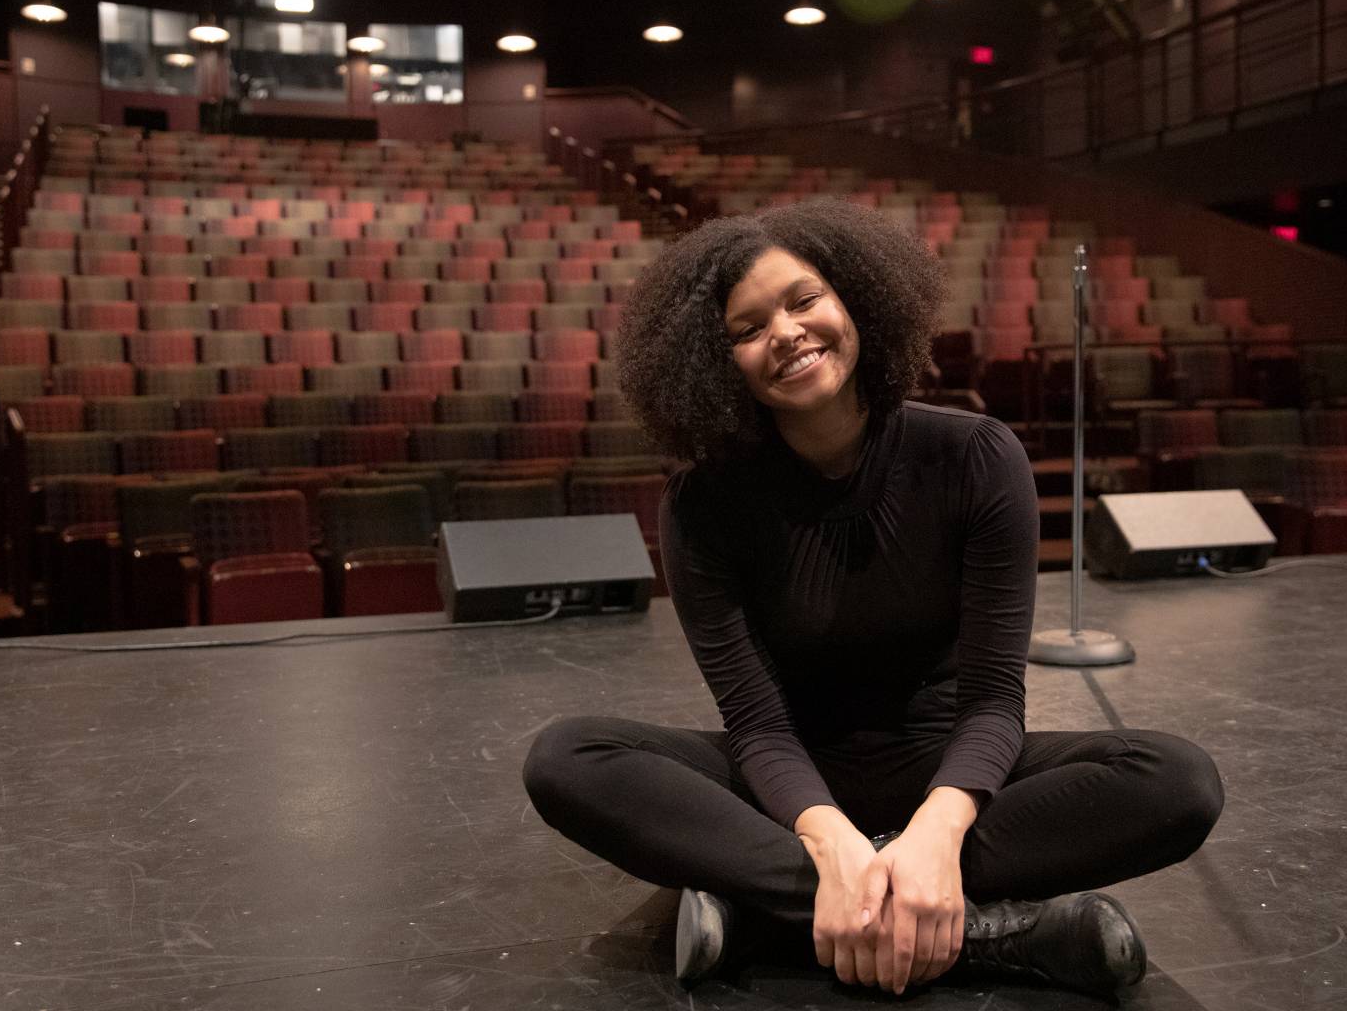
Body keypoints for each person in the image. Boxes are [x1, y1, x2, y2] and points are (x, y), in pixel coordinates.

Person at [522, 198, 1223, 997]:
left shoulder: (975, 456)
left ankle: (769, 915)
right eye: (746, 331)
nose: (784, 333)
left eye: (802, 300)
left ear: (855, 297)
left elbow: (994, 702)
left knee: (1176, 780)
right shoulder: (703, 504)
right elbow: (757, 723)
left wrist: (935, 831)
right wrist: (828, 841)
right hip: (788, 782)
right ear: (718, 367)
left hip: (949, 768)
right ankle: (983, 932)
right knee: (568, 758)